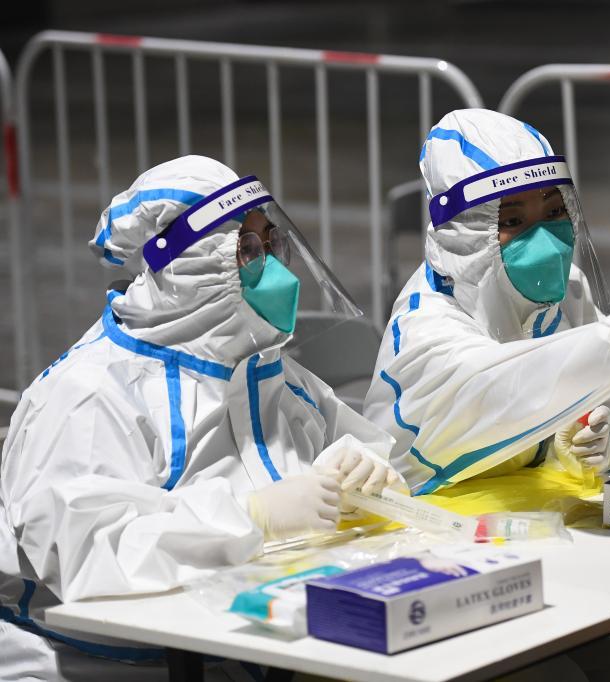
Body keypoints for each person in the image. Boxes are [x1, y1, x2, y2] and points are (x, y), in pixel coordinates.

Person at [0, 156, 401, 681]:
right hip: (99, 665)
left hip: (247, 646)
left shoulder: (264, 370)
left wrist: (362, 467)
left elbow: (342, 445)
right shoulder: (90, 394)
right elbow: (91, 553)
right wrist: (251, 517)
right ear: (191, 266)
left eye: (271, 242)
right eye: (248, 250)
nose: (275, 268)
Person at [364, 109, 610, 493]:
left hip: (535, 523)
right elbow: (502, 387)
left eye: (554, 211)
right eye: (513, 221)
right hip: (429, 526)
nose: (545, 241)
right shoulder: (425, 326)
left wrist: (608, 441)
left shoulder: (567, 291)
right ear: (466, 233)